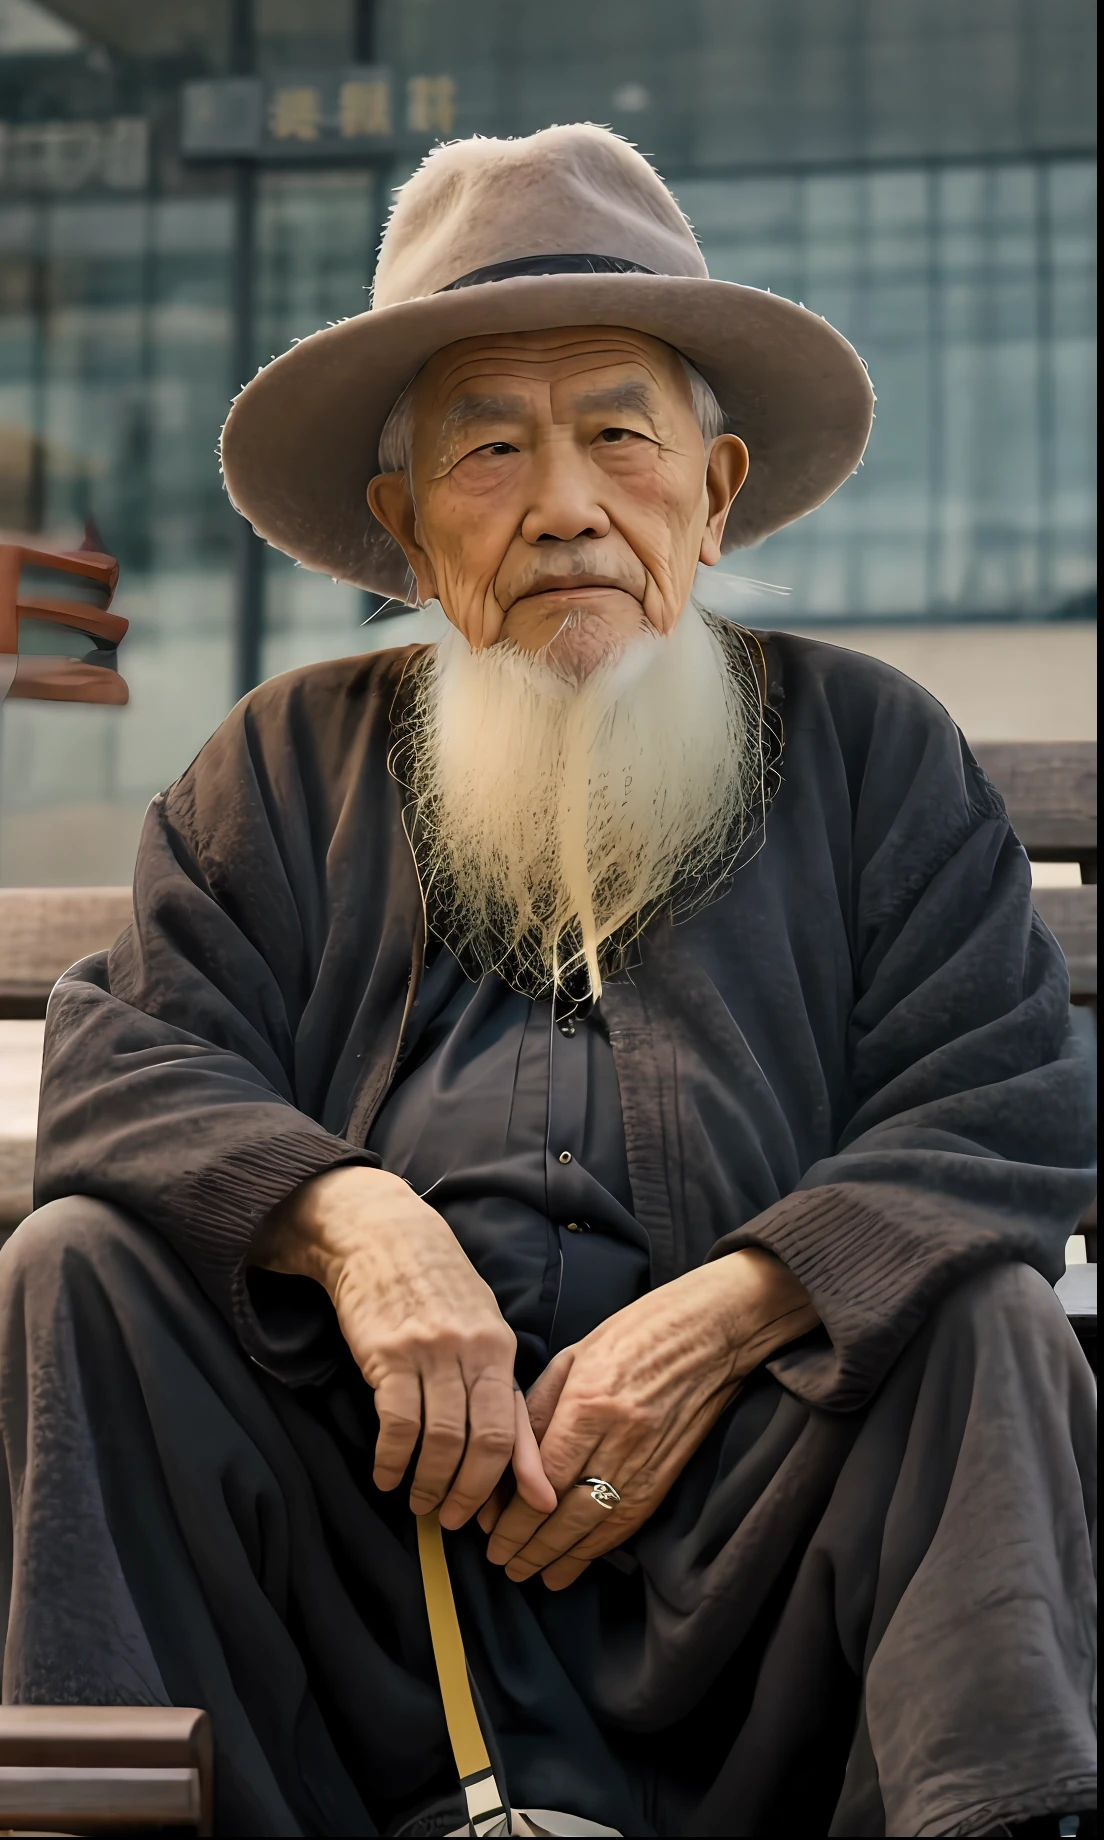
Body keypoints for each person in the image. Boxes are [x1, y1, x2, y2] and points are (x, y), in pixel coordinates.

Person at [0, 125, 1095, 1839]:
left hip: (759, 1550)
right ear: (407, 529)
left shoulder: (873, 751)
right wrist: (355, 1222)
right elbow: (127, 1068)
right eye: (492, 449)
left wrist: (726, 1315)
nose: (566, 504)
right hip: (367, 1565)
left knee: (990, 1327)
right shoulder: (281, 768)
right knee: (74, 1273)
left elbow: (1009, 1099)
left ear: (713, 491)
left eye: (616, 438)